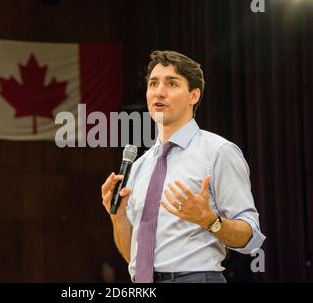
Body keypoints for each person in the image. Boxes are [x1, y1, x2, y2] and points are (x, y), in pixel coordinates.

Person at [100, 50, 265, 283]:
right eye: (153, 83)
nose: (159, 91)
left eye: (172, 83)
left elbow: (251, 238)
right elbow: (135, 259)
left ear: (193, 95)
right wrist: (117, 217)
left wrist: (210, 220)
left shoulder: (218, 152)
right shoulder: (138, 167)